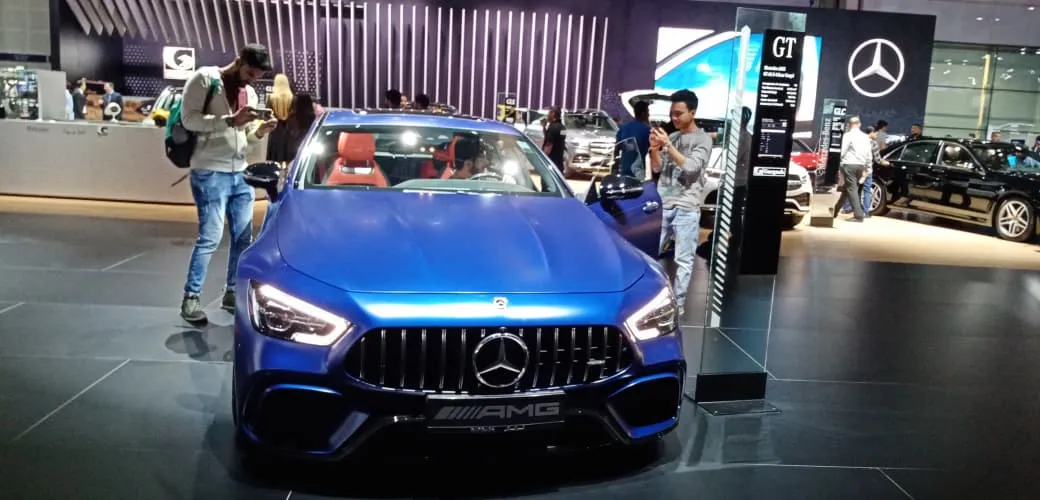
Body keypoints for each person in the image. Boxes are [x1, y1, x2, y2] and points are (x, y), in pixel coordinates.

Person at [177, 44, 278, 324]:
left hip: (240, 173)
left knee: (243, 238)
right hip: (210, 171)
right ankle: (191, 297)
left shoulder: (250, 93)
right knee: (210, 237)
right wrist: (230, 120)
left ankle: (232, 291)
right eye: (250, 73)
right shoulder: (205, 79)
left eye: (257, 76)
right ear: (238, 61)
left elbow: (244, 138)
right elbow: (189, 119)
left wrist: (260, 131)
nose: (252, 80)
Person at [650, 89, 713, 317]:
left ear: (692, 113)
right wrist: (654, 150)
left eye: (678, 113)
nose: (674, 118)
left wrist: (667, 145)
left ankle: (678, 305)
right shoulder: (673, 137)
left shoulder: (703, 139)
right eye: (672, 113)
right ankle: (653, 301)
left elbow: (691, 168)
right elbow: (658, 168)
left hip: (686, 205)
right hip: (664, 203)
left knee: (684, 260)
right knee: (651, 256)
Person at [834, 115, 871, 222]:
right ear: (859, 124)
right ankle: (835, 210)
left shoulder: (847, 136)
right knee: (847, 189)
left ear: (849, 125)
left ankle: (858, 216)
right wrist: (868, 168)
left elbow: (842, 151)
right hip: (861, 165)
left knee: (851, 189)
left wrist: (837, 164)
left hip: (849, 164)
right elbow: (869, 154)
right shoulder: (865, 137)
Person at [616, 101, 651, 179]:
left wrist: (616, 167)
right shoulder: (647, 130)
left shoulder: (624, 128)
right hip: (639, 173)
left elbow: (616, 149)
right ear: (643, 114)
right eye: (648, 112)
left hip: (624, 172)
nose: (649, 114)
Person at [543, 106, 567, 174]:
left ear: (553, 113)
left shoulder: (553, 128)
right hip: (559, 164)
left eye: (549, 113)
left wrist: (543, 158)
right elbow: (557, 139)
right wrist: (544, 127)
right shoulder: (563, 128)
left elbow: (548, 145)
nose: (547, 115)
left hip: (551, 163)